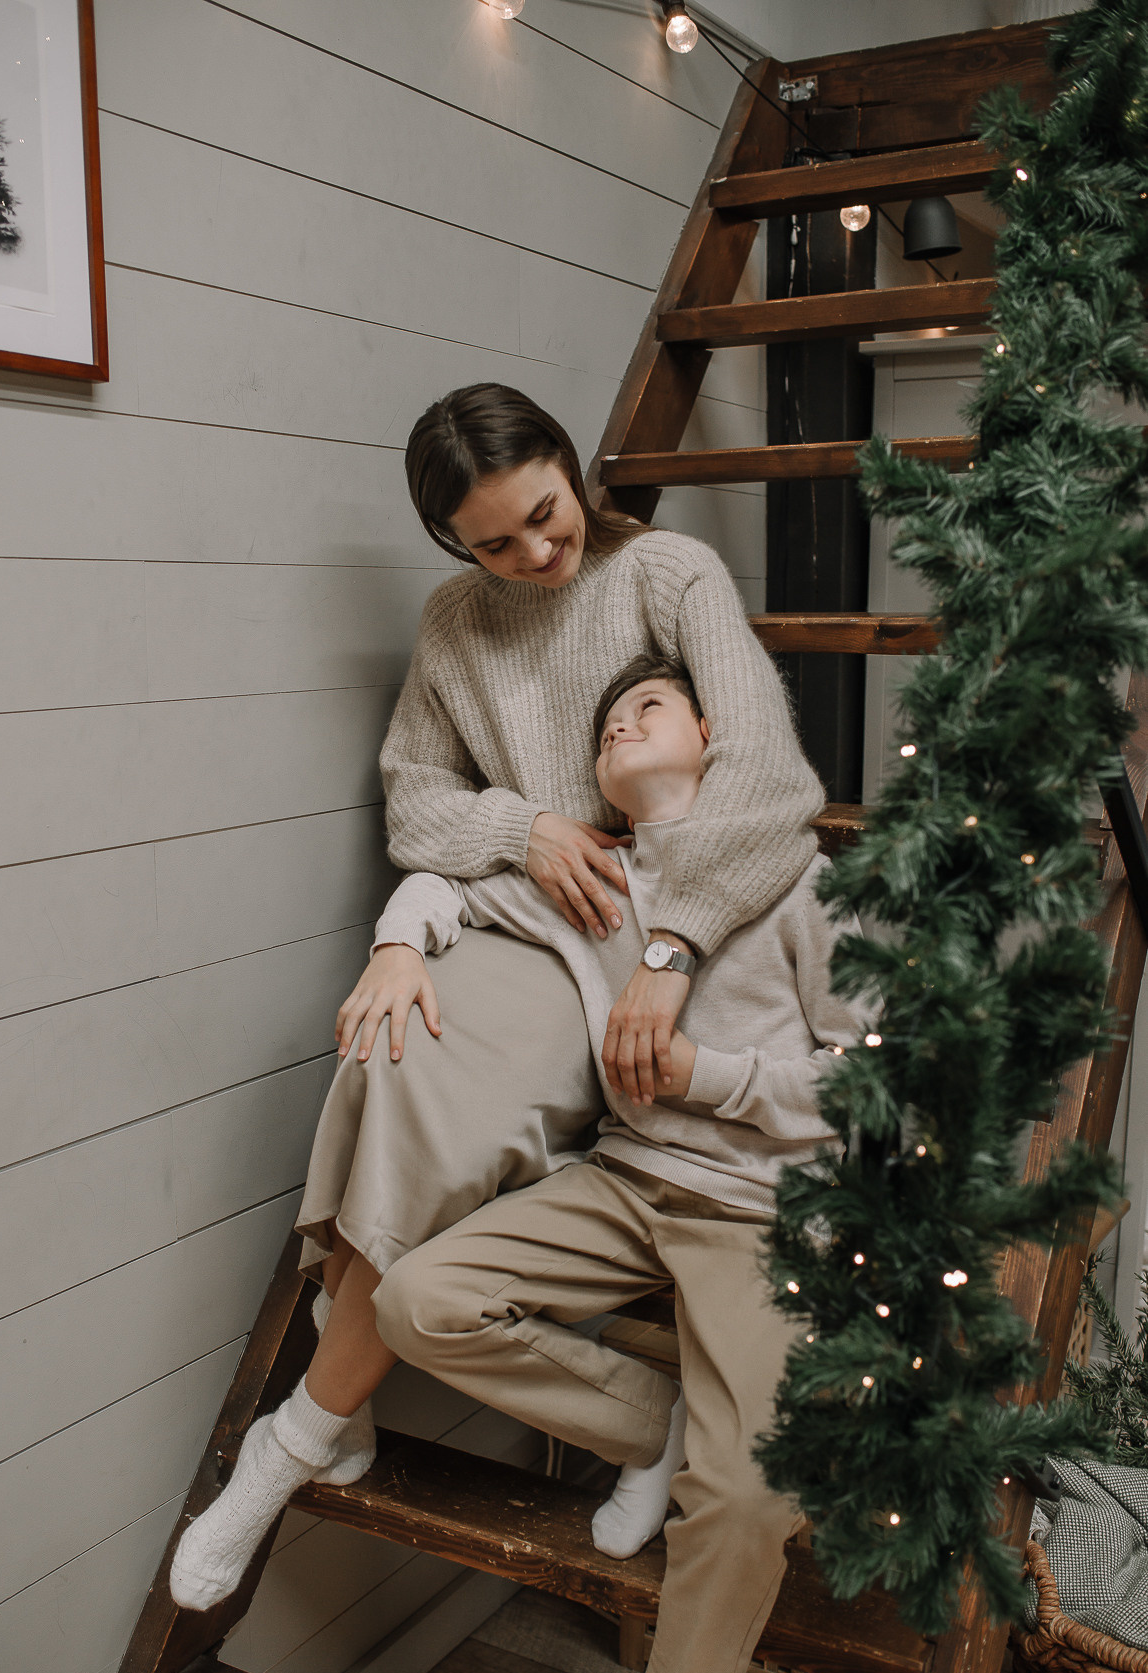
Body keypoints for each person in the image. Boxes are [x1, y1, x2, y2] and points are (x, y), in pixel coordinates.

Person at [168, 383, 823, 1610]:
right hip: (530, 923)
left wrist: (673, 944)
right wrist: (517, 834)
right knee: (388, 1059)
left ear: (570, 468)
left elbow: (769, 775)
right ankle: (332, 1419)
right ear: (449, 545)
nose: (532, 555)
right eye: (494, 542)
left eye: (544, 516)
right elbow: (414, 796)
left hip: (659, 937)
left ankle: (296, 1438)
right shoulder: (454, 623)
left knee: (435, 1104)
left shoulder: (666, 575)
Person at [369, 657, 873, 1673]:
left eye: (648, 706)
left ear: (707, 730)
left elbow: (866, 1085)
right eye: (604, 723)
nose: (621, 725)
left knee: (744, 1502)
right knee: (417, 1301)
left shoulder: (799, 880)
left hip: (759, 1211)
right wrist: (401, 940)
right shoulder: (596, 879)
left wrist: (713, 1075)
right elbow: (445, 883)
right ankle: (651, 1428)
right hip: (620, 1184)